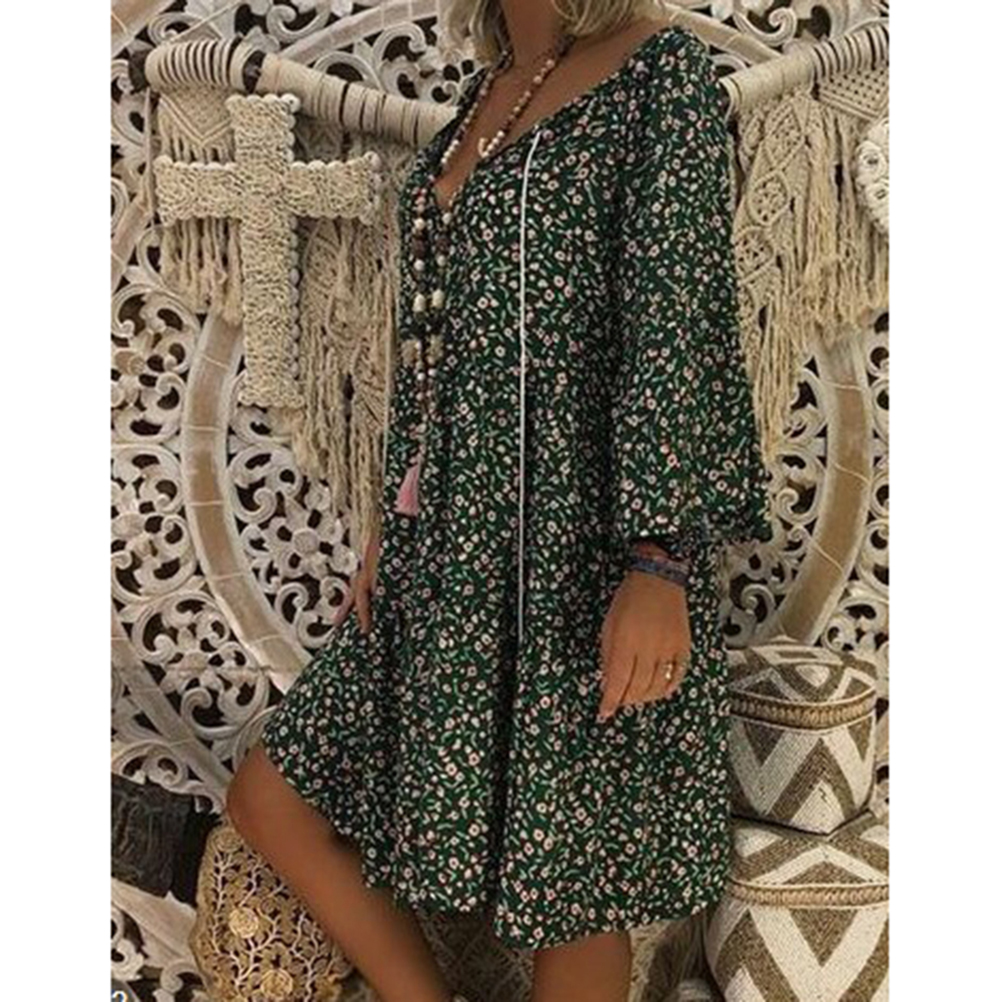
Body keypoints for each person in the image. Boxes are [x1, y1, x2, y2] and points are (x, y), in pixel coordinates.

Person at [225, 2, 773, 1001]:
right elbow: (430, 346)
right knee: (273, 796)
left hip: (586, 547)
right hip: (451, 548)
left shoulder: (660, 75)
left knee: (571, 882)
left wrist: (659, 563)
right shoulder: (484, 95)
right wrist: (395, 519)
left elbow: (679, 322)